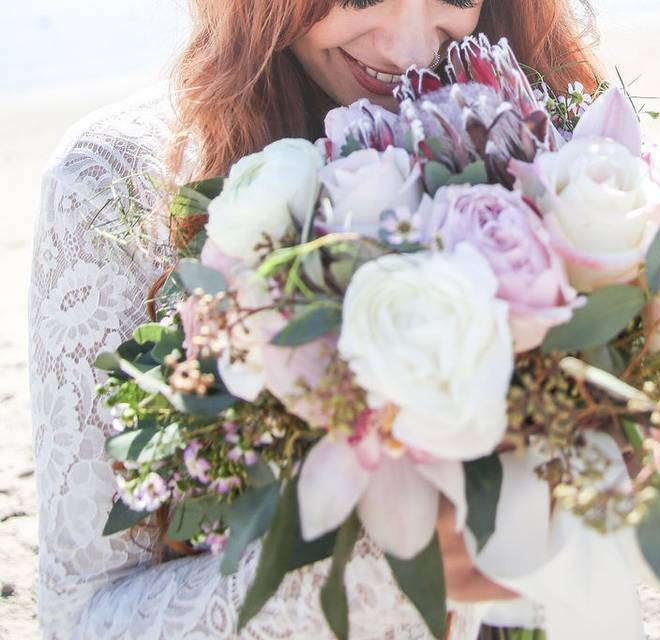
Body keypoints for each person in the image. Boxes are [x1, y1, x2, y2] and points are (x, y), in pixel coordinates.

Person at [27, 1, 600, 638]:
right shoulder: (111, 184)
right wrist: (394, 571)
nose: (411, 49)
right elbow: (79, 617)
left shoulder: (543, 132)